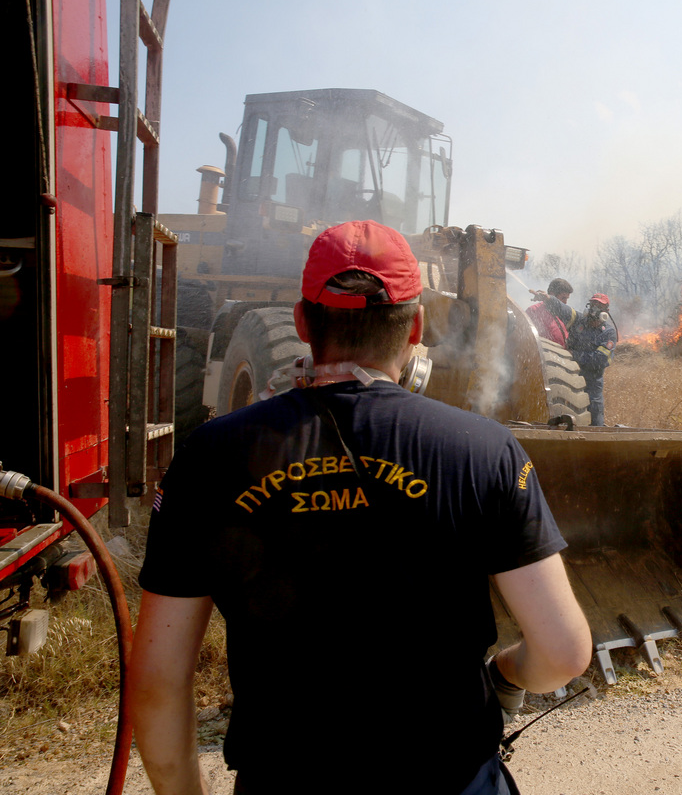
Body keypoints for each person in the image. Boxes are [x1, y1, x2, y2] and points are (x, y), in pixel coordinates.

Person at [129, 220, 592, 795]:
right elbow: (566, 652)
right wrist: (506, 672)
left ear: (301, 322)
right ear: (416, 327)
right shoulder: (486, 450)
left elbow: (156, 682)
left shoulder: (207, 458)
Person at [536, 291, 617, 426]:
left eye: (599, 306)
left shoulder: (608, 333)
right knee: (566, 417)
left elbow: (601, 360)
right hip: (570, 377)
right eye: (592, 304)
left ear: (606, 311)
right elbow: (563, 309)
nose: (594, 309)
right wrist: (549, 298)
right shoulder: (579, 320)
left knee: (595, 420)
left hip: (591, 383)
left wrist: (574, 355)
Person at [524, 278, 572, 347]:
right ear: (552, 295)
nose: (565, 302)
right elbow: (526, 340)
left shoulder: (563, 314)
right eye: (563, 298)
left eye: (567, 299)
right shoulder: (533, 311)